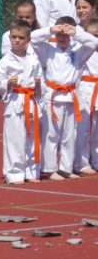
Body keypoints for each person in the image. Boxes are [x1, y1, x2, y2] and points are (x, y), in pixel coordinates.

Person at [31, 16, 98, 179]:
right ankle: (49, 168)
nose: (62, 37)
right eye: (60, 34)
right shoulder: (48, 49)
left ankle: (66, 168)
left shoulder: (78, 51)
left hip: (70, 96)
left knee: (70, 134)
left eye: (65, 34)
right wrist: (51, 30)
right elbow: (33, 38)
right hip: (53, 97)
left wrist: (75, 32)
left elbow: (93, 43)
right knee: (51, 134)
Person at [0, 20, 43, 184]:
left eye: (21, 37)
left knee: (31, 138)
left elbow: (41, 82)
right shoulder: (5, 61)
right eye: (14, 37)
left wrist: (37, 85)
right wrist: (7, 83)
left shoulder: (34, 59)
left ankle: (31, 171)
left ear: (28, 40)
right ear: (9, 38)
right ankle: (14, 173)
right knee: (14, 139)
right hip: (14, 101)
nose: (17, 40)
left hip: (31, 100)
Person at [75, 16, 98, 175]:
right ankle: (81, 162)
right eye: (91, 35)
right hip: (86, 89)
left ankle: (95, 159)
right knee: (84, 128)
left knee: (97, 129)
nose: (94, 39)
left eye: (96, 35)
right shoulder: (82, 50)